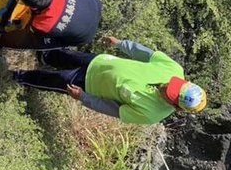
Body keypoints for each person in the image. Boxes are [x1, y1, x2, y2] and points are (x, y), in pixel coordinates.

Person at [12, 35, 207, 124]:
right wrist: (121, 44)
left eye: (170, 93)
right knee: (62, 55)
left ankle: (17, 76)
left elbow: (110, 109)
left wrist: (83, 98)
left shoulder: (151, 114)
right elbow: (145, 54)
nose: (167, 86)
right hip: (101, 62)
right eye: (174, 84)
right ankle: (40, 52)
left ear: (177, 107)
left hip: (87, 85)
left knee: (51, 80)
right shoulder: (174, 69)